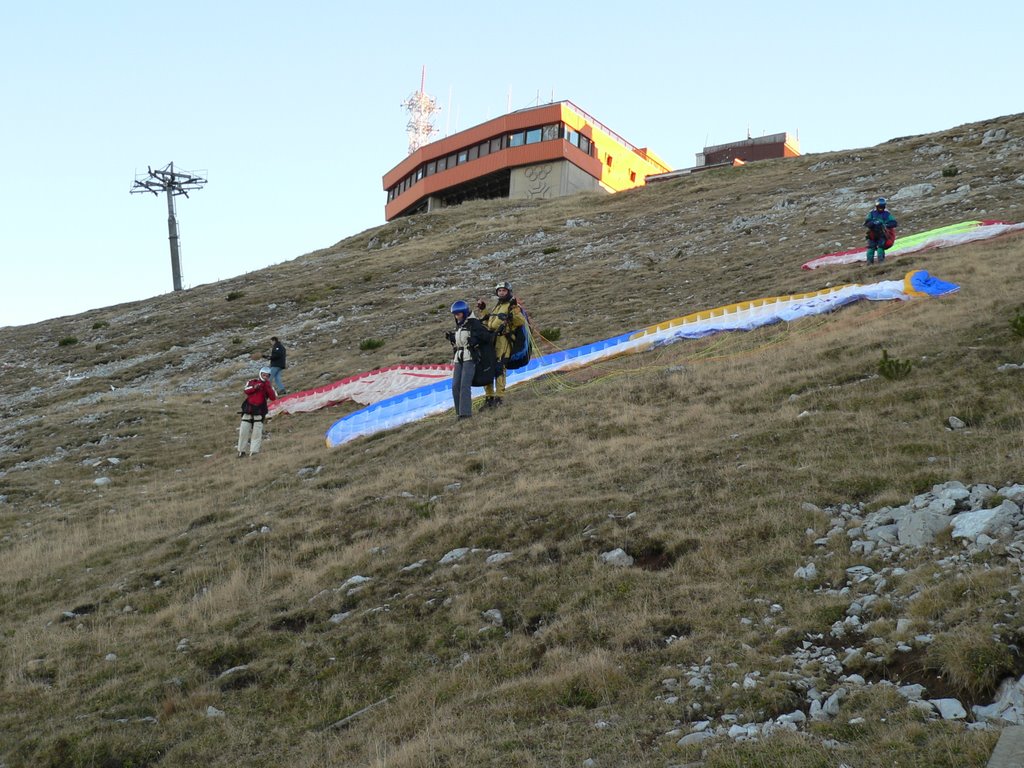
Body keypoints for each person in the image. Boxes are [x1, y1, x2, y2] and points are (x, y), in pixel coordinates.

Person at [477, 281, 525, 408]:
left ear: (508, 292)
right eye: (499, 291)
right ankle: (489, 397)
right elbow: (489, 322)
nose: (501, 292)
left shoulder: (512, 305)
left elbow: (520, 321)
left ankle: (499, 398)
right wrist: (483, 310)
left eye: (504, 290)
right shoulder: (497, 306)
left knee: (499, 367)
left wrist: (514, 308)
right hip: (491, 339)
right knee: (487, 367)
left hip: (503, 340)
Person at [445, 300, 493, 419]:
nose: (456, 316)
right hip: (459, 357)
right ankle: (458, 412)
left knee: (464, 385)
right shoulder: (460, 324)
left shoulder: (474, 323)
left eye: (459, 314)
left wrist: (476, 340)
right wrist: (453, 338)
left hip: (470, 357)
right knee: (455, 386)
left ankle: (465, 414)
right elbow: (461, 339)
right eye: (455, 314)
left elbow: (486, 336)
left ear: (465, 313)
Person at [237, 366, 277, 457]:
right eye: (264, 375)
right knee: (244, 431)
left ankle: (254, 451)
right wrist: (255, 387)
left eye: (267, 375)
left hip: (259, 411)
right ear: (260, 374)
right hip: (248, 410)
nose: (265, 377)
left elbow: (273, 397)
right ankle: (241, 451)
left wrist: (267, 387)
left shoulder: (268, 385)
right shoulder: (252, 382)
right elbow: (246, 390)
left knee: (257, 432)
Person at [864, 197, 898, 265]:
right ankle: (869, 263)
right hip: (872, 234)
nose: (880, 208)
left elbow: (894, 223)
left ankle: (881, 262)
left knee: (880, 247)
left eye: (882, 206)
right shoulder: (872, 213)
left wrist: (885, 225)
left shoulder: (887, 214)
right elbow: (866, 223)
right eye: (879, 206)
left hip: (882, 234)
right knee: (871, 248)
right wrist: (873, 223)